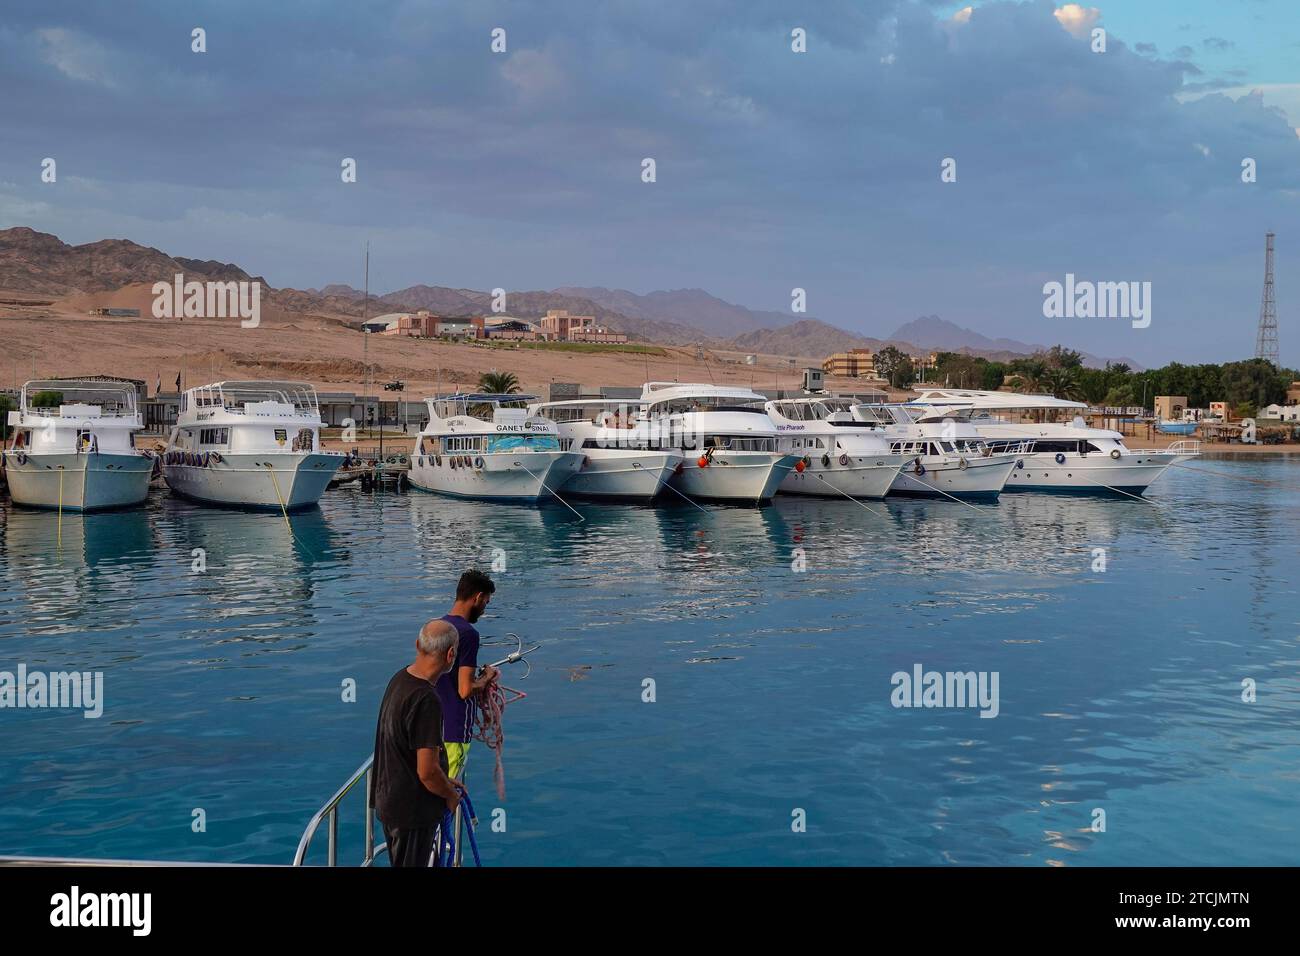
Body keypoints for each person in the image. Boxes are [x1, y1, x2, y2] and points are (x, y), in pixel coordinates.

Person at [372, 618, 464, 867]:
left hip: (390, 801)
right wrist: (449, 794)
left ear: (417, 645)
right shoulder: (426, 700)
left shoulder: (400, 679)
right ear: (451, 654)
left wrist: (445, 780)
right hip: (411, 812)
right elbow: (427, 772)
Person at [434, 570, 500, 780]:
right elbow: (464, 690)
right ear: (478, 597)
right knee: (450, 790)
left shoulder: (436, 627)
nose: (483, 610)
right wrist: (487, 677)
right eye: (486, 603)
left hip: (432, 727)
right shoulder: (468, 634)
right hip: (454, 729)